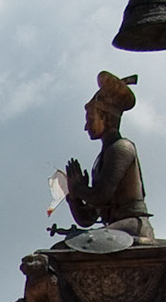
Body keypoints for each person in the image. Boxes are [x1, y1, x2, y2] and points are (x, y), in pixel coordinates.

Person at [65, 70, 153, 240]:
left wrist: (79, 188)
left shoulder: (121, 148)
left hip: (132, 226)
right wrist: (74, 195)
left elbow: (100, 196)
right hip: (114, 228)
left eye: (90, 120)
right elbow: (86, 219)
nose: (86, 127)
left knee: (80, 241)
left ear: (105, 118)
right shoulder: (103, 159)